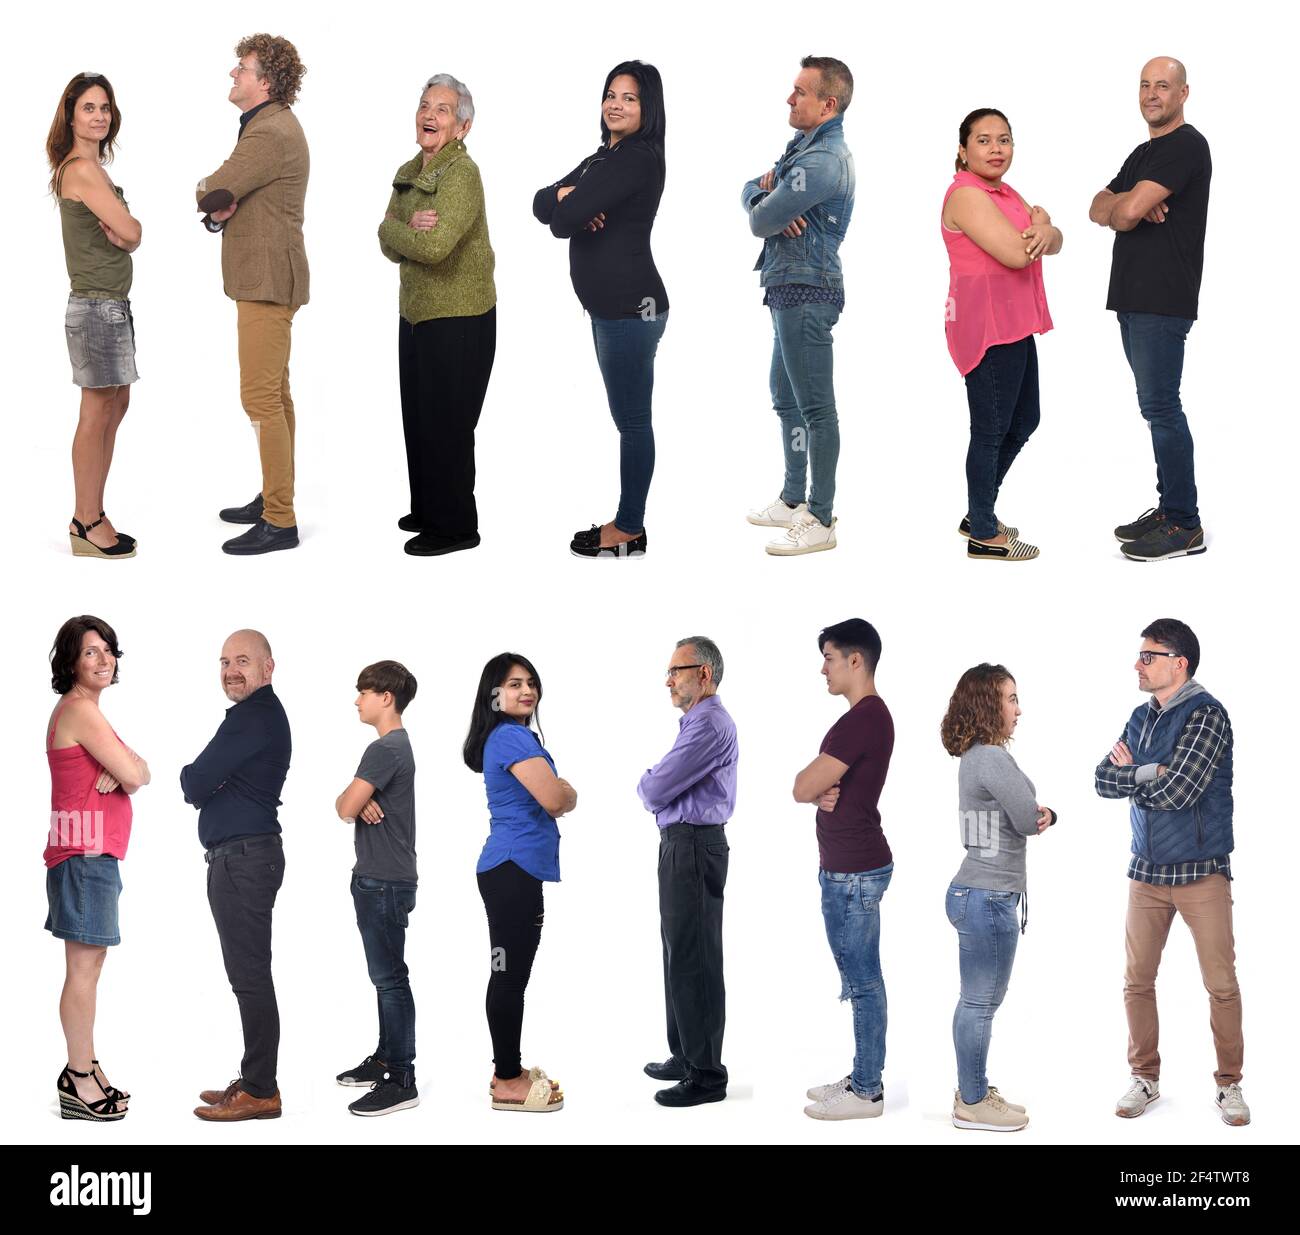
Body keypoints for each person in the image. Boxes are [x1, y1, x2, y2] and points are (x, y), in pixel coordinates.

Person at [1094, 619, 1247, 1126]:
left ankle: (1230, 1085)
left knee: (1220, 983)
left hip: (1201, 873)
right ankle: (1145, 1078)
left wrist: (1135, 775)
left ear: (1178, 663)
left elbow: (1181, 791)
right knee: (1136, 981)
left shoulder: (1208, 716)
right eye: (1140, 655)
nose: (1138, 664)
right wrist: (1148, 772)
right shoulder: (1140, 717)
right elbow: (1100, 779)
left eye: (1148, 656)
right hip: (1146, 873)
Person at [533, 61, 668, 559]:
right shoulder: (602, 157)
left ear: (647, 107)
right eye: (611, 94)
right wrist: (569, 198)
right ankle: (628, 521)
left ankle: (630, 527)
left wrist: (571, 203)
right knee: (627, 419)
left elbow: (563, 219)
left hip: (633, 309)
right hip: (611, 311)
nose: (616, 104)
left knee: (633, 422)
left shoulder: (636, 159)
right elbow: (541, 203)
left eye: (629, 98)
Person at [1089, 58, 1211, 562]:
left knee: (1162, 407)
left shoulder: (1186, 145)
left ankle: (1184, 524)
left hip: (1163, 299)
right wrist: (1124, 203)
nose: (1152, 94)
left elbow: (1128, 210)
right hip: (1134, 300)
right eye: (1145, 85)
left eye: (1163, 85)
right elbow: (1098, 206)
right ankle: (1169, 510)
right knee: (1154, 407)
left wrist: (1129, 206)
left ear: (1184, 93)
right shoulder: (1145, 152)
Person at [197, 34, 309, 556]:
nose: (233, 75)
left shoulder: (268, 133)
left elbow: (215, 189)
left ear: (265, 82)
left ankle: (280, 520)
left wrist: (214, 196)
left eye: (241, 69)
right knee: (276, 395)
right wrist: (224, 202)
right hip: (265, 278)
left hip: (267, 281)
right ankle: (273, 497)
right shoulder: (267, 127)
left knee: (260, 397)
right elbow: (227, 198)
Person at [379, 74, 497, 557]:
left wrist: (397, 228)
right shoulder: (410, 170)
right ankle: (429, 507)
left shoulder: (461, 175)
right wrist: (401, 227)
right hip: (417, 314)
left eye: (443, 109)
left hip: (460, 317)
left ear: (463, 126)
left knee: (449, 424)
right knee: (420, 418)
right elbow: (386, 240)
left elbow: (434, 246)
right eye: (425, 105)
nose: (430, 115)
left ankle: (456, 527)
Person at [742, 57, 855, 557]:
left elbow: (761, 219)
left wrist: (767, 208)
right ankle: (793, 499)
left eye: (800, 92)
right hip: (787, 288)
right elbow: (753, 194)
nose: (789, 99)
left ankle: (821, 515)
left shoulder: (821, 162)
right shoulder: (802, 149)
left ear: (827, 104)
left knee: (816, 407)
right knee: (785, 398)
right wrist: (761, 202)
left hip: (809, 291)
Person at [182, 630, 292, 1120]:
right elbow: (205, 781)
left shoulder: (256, 716)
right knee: (247, 974)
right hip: (241, 857)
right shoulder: (251, 718)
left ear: (268, 668)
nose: (231, 670)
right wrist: (210, 782)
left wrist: (209, 783)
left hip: (244, 860)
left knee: (249, 977)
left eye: (243, 660)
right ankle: (253, 1078)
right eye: (225, 661)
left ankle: (261, 1089)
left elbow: (194, 780)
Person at [939, 664, 1055, 1132]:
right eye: (1010, 699)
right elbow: (1028, 819)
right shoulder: (991, 756)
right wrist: (1045, 812)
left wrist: (1038, 814)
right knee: (980, 1002)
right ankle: (971, 1100)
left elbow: (1013, 819)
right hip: (987, 897)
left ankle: (973, 1090)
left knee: (979, 1000)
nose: (1018, 709)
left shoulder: (975, 756)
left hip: (979, 891)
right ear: (989, 704)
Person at [942, 108, 1061, 562]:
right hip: (986, 325)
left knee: (1023, 420)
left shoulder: (1004, 192)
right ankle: (984, 535)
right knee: (990, 431)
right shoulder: (968, 195)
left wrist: (1047, 230)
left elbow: (1055, 238)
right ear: (963, 150)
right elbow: (1016, 253)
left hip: (1015, 323)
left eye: (1004, 140)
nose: (996, 149)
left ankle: (979, 512)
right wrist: (1042, 228)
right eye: (985, 140)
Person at [46, 616, 149, 1121]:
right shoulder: (81, 712)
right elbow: (136, 772)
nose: (104, 659)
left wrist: (128, 769)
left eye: (109, 649)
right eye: (90, 651)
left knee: (90, 968)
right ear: (70, 661)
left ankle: (85, 1068)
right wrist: (126, 769)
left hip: (90, 854)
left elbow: (139, 772)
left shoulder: (88, 714)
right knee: (83, 972)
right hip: (84, 855)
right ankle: (78, 1078)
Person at [463, 654, 574, 1112]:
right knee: (508, 979)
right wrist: (567, 790)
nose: (526, 691)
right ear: (494, 694)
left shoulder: (510, 737)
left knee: (511, 977)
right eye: (514, 684)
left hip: (514, 870)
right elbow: (554, 798)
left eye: (531, 683)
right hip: (512, 871)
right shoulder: (510, 738)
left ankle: (506, 1069)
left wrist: (560, 793)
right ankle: (508, 1079)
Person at [793, 619, 895, 1119]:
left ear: (856, 660)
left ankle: (867, 1090)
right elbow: (812, 788)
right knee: (860, 978)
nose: (823, 668)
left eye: (830, 657)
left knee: (863, 981)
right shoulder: (865, 717)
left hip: (854, 870)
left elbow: (801, 785)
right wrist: (818, 792)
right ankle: (862, 1074)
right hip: (851, 865)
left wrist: (815, 789)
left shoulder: (863, 719)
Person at [638, 637, 737, 1107]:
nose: (668, 679)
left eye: (676, 670)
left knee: (694, 957)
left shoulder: (709, 724)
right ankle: (685, 1054)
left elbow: (656, 789)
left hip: (694, 844)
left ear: (704, 673)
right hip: (682, 844)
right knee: (678, 952)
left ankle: (706, 1075)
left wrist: (649, 778)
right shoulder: (695, 723)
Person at [47, 73, 141, 559]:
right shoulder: (81, 169)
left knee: (115, 407)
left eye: (104, 107)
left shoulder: (94, 167)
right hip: (95, 306)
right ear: (71, 115)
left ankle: (95, 512)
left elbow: (129, 234)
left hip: (111, 305)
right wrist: (126, 230)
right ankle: (85, 520)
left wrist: (127, 233)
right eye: (88, 107)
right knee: (96, 412)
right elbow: (131, 229)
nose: (99, 115)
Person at [334, 661, 420, 1116]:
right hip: (386, 876)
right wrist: (357, 802)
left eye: (363, 692)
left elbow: (344, 805)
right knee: (385, 978)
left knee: (390, 980)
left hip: (383, 880)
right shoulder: (395, 748)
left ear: (386, 697)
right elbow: (346, 806)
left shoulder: (384, 749)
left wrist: (356, 800)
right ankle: (387, 1057)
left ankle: (401, 1077)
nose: (357, 700)